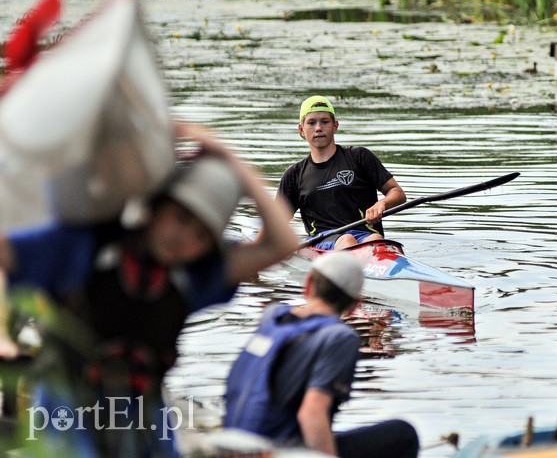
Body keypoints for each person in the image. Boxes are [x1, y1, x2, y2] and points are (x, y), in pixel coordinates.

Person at [0, 123, 298, 456]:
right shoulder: (83, 247)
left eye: (202, 236)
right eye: (181, 218)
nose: (186, 240)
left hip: (144, 412)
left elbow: (283, 243)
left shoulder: (193, 278)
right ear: (155, 208)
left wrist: (229, 158)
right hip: (65, 407)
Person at [225, 252, 419, 457]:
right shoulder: (339, 337)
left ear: (308, 285)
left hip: (233, 443)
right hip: (275, 451)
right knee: (403, 434)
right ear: (355, 304)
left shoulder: (272, 317)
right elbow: (312, 413)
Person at [277, 96, 407, 250]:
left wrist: (382, 204)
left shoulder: (360, 157)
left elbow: (397, 193)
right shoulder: (294, 175)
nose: (318, 127)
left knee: (376, 239)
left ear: (335, 126)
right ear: (302, 130)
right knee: (347, 239)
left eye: (325, 122)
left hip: (367, 234)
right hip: (322, 240)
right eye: (311, 122)